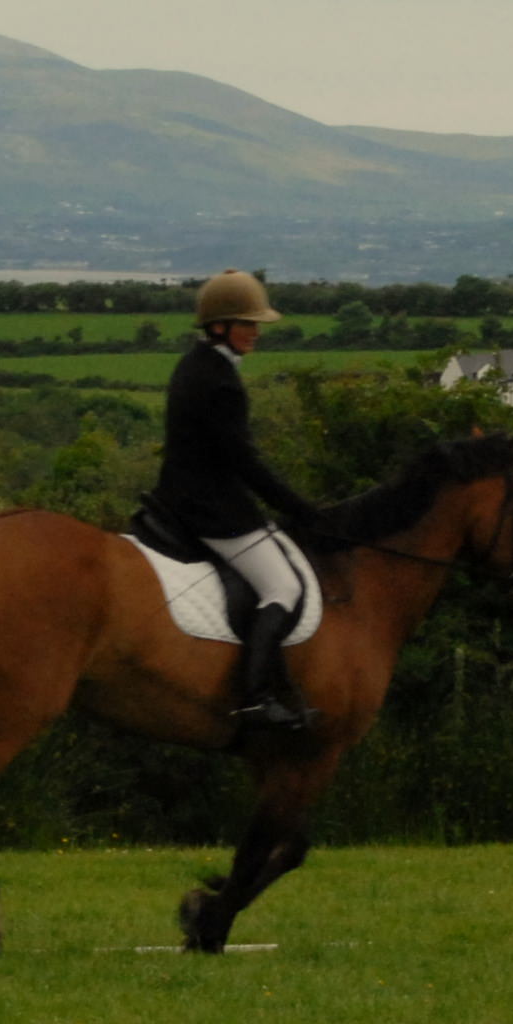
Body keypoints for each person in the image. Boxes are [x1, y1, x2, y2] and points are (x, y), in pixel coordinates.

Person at [151, 270, 326, 731]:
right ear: (219, 325)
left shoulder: (194, 364)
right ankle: (255, 698)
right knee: (283, 588)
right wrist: (299, 508)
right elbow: (244, 462)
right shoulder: (220, 382)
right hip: (211, 510)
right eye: (247, 324)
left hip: (177, 496)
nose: (256, 332)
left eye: (256, 324)